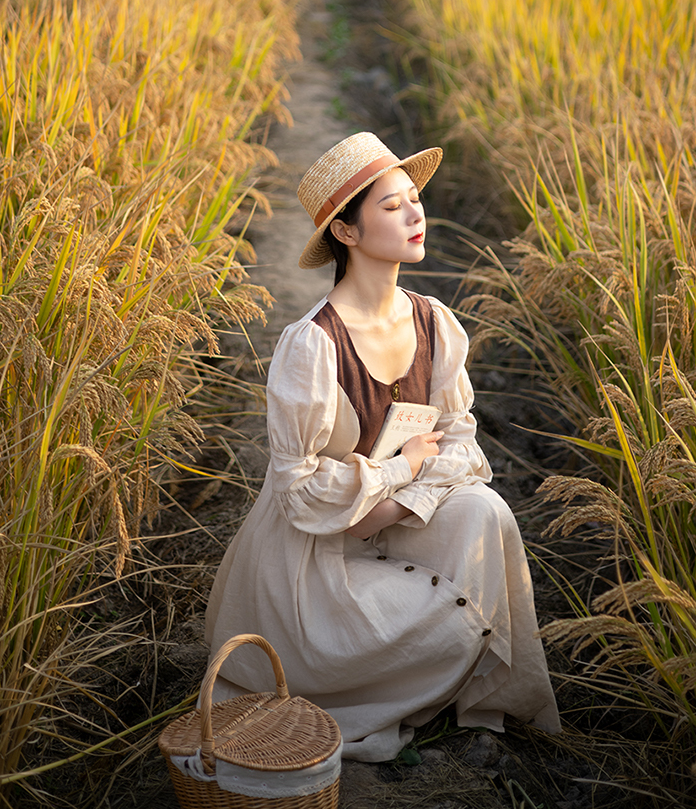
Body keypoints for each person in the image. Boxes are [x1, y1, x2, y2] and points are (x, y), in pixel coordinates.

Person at [204, 132, 560, 760]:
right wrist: (398, 472)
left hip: (386, 519)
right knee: (453, 627)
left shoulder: (434, 322)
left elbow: (458, 443)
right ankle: (384, 677)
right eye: (393, 207)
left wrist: (397, 497)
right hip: (315, 562)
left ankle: (479, 703)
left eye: (416, 201)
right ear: (346, 232)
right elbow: (299, 492)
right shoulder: (312, 345)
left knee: (486, 512)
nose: (416, 215)